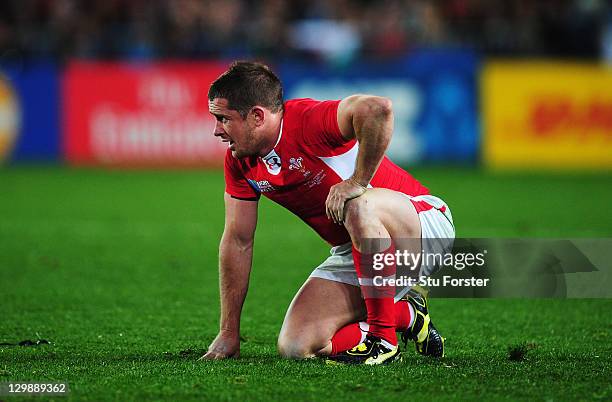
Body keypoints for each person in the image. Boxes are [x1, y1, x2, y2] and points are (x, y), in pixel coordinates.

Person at [201, 61, 455, 365]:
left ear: (256, 116)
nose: (217, 130)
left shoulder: (306, 121)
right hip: (359, 249)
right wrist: (229, 331)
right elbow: (238, 240)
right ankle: (409, 315)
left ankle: (383, 340)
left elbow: (378, 108)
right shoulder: (239, 161)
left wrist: (357, 181)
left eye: (223, 119)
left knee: (358, 203)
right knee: (297, 346)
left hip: (422, 226)